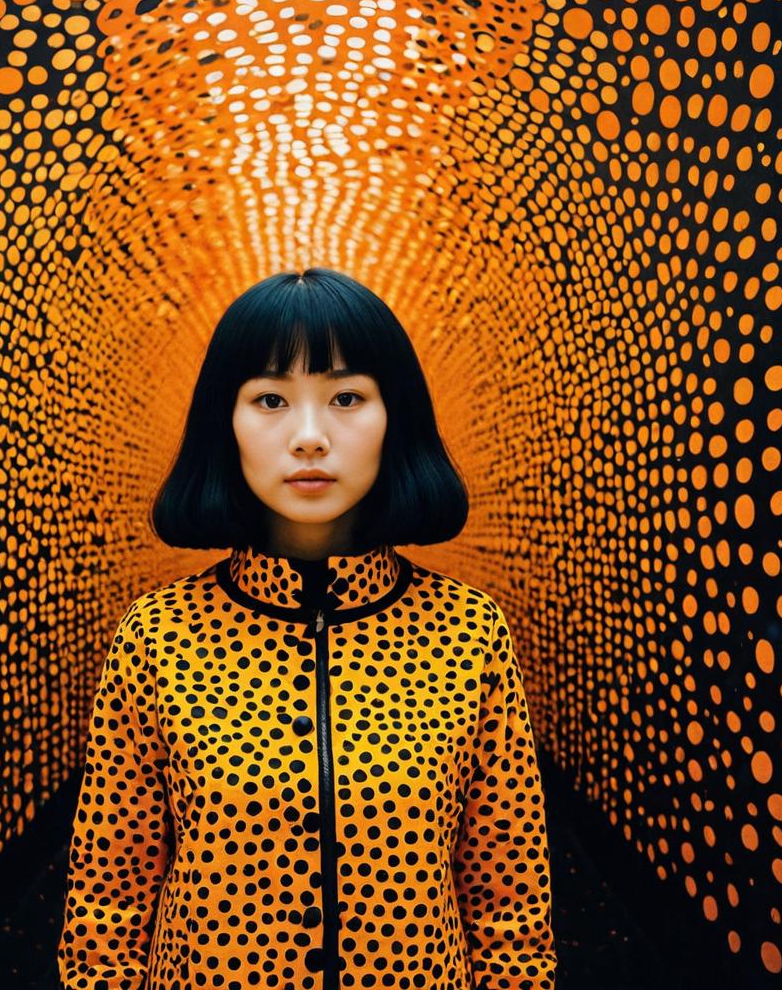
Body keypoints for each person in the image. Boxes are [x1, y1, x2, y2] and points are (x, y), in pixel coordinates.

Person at [57, 268, 558, 989]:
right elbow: (109, 901)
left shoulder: (468, 634)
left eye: (347, 398)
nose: (311, 437)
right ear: (223, 425)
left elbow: (507, 903)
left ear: (396, 419)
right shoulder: (158, 637)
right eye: (269, 400)